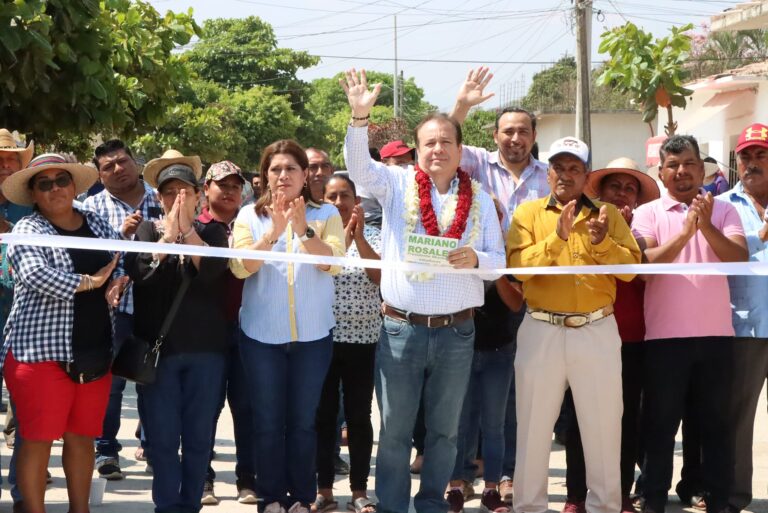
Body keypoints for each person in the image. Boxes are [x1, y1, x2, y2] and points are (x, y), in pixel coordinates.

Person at [342, 68, 506, 513]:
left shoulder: (479, 196)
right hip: (402, 330)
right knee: (395, 428)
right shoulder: (396, 185)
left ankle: (431, 502)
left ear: (459, 150)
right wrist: (359, 119)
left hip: (457, 333)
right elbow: (358, 167)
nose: (437, 149)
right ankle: (393, 506)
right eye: (429, 142)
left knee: (445, 430)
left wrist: (478, 260)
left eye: (446, 142)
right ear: (418, 150)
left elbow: (498, 263)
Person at [507, 137, 642, 513]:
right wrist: (558, 238)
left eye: (574, 168)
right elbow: (517, 271)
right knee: (533, 427)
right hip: (541, 328)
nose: (565, 175)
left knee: (603, 427)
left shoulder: (607, 215)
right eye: (559, 167)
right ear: (547, 173)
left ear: (586, 176)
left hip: (597, 329)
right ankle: (529, 507)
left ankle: (605, 507)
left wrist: (602, 244)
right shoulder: (527, 214)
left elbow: (630, 270)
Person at [1, 153, 126, 513]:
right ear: (34, 194)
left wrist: (118, 282)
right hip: (40, 355)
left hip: (94, 352)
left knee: (82, 437)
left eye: (62, 180)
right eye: (45, 183)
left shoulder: (98, 222)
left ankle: (80, 510)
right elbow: (34, 275)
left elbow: (121, 261)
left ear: (74, 185)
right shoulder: (27, 229)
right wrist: (90, 282)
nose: (55, 188)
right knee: (37, 441)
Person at [631, 135, 747, 513]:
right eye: (673, 165)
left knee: (716, 427)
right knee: (660, 428)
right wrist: (685, 232)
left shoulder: (725, 210)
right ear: (662, 172)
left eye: (689, 164)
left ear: (702, 168)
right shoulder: (647, 213)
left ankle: (717, 501)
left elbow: (738, 260)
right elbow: (645, 268)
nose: (682, 172)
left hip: (716, 337)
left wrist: (707, 225)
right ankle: (652, 500)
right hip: (665, 339)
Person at [450, 67, 550, 502]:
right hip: (473, 287)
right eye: (507, 131)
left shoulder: (549, 176)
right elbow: (443, 140)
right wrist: (464, 104)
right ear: (495, 135)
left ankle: (506, 474)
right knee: (465, 394)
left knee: (511, 394)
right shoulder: (474, 162)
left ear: (532, 135)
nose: (515, 139)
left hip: (525, 291)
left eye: (523, 131)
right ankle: (461, 474)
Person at [230, 139, 345, 513]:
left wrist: (303, 230)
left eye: (291, 169)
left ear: (304, 174)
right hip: (262, 337)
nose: (283, 176)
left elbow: (335, 263)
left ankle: (301, 498)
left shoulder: (326, 213)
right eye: (275, 169)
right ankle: (271, 498)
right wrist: (274, 232)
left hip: (313, 336)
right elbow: (241, 267)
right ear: (264, 176)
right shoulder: (249, 216)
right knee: (266, 422)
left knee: (302, 423)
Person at [125, 150, 230, 513]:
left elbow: (215, 274)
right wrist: (167, 242)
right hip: (160, 355)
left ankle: (191, 505)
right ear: (158, 197)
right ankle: (167, 505)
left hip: (207, 353)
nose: (177, 199)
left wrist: (187, 234)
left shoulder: (213, 231)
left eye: (185, 191)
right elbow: (142, 275)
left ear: (200, 194)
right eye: (169, 192)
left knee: (200, 439)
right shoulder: (146, 230)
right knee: (163, 439)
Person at [558, 158, 660, 513]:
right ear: (598, 191)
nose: (621, 194)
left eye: (629, 188)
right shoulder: (581, 222)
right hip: (587, 329)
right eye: (614, 186)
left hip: (631, 337)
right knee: (579, 418)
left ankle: (618, 495)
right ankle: (575, 495)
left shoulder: (645, 226)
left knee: (625, 417)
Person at [82, 138, 163, 480]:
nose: (118, 169)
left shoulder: (163, 198)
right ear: (99, 176)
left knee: (153, 379)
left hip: (159, 305)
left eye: (122, 161)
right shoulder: (91, 208)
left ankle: (153, 446)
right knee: (110, 383)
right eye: (108, 166)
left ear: (135, 161)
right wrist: (120, 235)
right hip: (114, 309)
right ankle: (106, 451)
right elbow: (90, 258)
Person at [314, 174, 381, 513]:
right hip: (322, 337)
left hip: (363, 340)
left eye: (345, 196)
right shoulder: (315, 235)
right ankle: (324, 489)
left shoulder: (375, 235)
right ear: (323, 200)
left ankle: (358, 490)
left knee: (358, 416)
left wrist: (359, 238)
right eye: (332, 196)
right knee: (324, 416)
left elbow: (380, 277)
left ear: (357, 200)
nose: (339, 202)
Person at [196, 160, 258, 506]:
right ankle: (203, 479)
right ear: (206, 189)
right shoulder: (195, 226)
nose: (231, 190)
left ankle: (247, 480)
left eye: (236, 185)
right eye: (223, 184)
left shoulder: (252, 225)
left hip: (248, 329)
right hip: (207, 332)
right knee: (207, 409)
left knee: (247, 409)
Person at [716, 123, 768, 513]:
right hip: (744, 325)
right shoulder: (724, 206)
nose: (752, 163)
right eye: (745, 156)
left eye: (761, 154)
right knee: (738, 420)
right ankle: (734, 498)